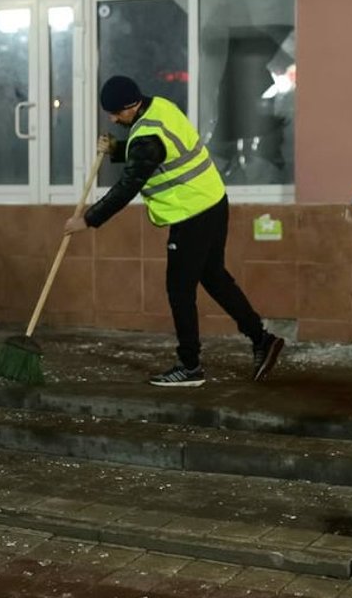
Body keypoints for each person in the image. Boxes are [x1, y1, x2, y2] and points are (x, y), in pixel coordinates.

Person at [65, 75, 285, 387]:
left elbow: (129, 185)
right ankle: (262, 339)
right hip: (212, 201)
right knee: (214, 277)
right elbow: (154, 150)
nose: (113, 119)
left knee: (179, 289)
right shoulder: (160, 108)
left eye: (116, 113)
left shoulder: (145, 137)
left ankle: (190, 366)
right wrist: (117, 148)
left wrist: (87, 220)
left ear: (131, 106)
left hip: (191, 213)